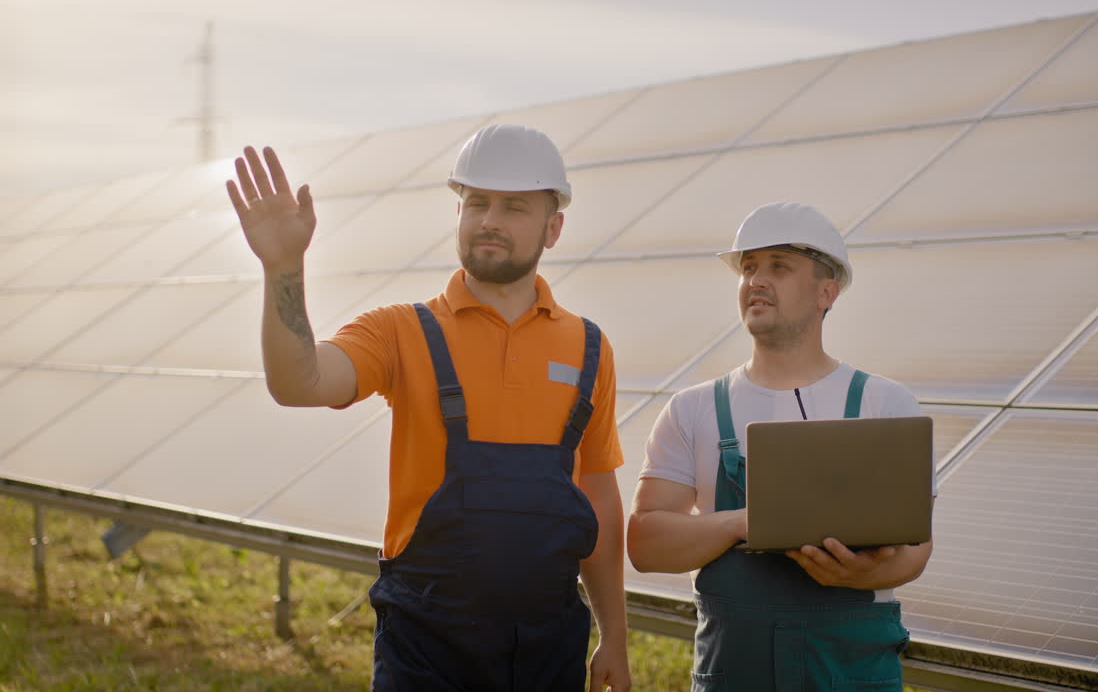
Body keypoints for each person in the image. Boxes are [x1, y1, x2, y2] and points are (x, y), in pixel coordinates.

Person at [225, 124, 631, 692]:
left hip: (548, 646)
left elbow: (598, 495)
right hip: (425, 647)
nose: (489, 219)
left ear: (553, 227)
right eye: (476, 203)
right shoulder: (400, 331)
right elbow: (299, 381)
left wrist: (615, 633)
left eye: (514, 206)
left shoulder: (589, 348)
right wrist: (283, 269)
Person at [627, 202, 933, 691]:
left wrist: (853, 575)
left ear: (826, 292)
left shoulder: (885, 403)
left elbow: (916, 550)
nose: (756, 280)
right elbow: (646, 544)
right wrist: (746, 522)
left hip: (851, 675)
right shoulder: (692, 409)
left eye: (779, 266)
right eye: (748, 268)